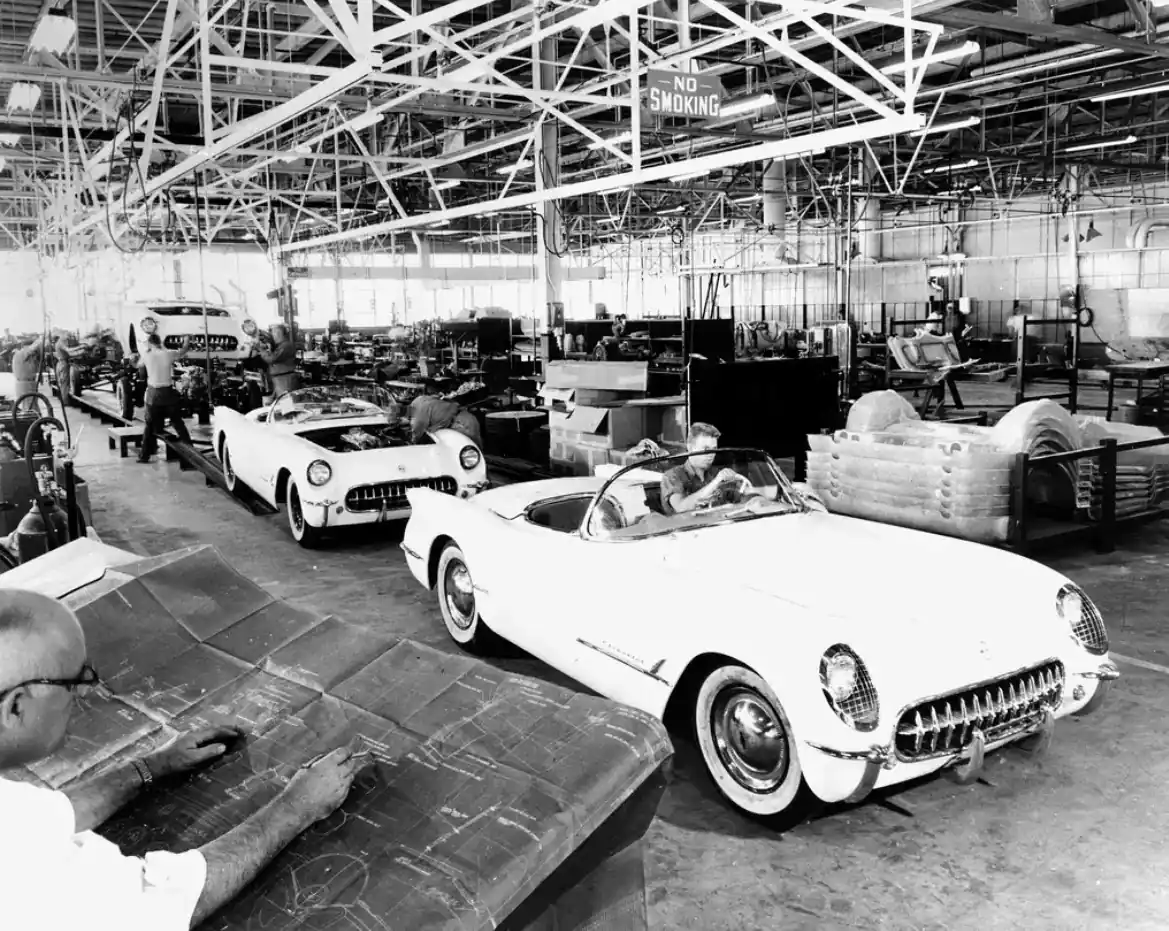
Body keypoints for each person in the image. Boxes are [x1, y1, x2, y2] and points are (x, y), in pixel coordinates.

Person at [0, 587, 361, 931]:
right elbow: (166, 902)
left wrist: (154, 766)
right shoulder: (27, 879)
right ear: (15, 707)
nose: (84, 692)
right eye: (73, 681)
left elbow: (42, 819)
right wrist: (297, 807)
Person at [660, 422, 748, 515]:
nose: (711, 454)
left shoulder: (715, 473)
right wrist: (715, 482)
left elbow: (741, 496)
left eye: (714, 449)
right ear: (690, 447)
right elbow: (681, 507)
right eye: (706, 449)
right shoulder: (672, 476)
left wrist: (751, 496)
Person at [137, 332, 193, 464]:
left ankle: (144, 456)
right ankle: (191, 454)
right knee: (178, 424)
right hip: (168, 394)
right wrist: (186, 340)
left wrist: (145, 351)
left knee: (149, 426)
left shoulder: (146, 354)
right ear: (160, 342)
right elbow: (184, 350)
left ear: (150, 343)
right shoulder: (168, 353)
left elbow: (138, 365)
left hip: (153, 395)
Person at [409, 383, 482, 447]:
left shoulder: (418, 408)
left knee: (469, 453)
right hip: (467, 418)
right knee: (474, 452)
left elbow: (417, 427)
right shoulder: (422, 400)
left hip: (461, 425)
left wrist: (413, 442)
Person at [260, 324, 299, 397]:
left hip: (284, 380)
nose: (272, 336)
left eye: (272, 333)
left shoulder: (285, 346)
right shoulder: (281, 346)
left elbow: (272, 359)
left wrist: (261, 350)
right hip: (280, 379)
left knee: (285, 400)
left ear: (278, 333)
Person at [10, 336, 44, 406]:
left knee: (32, 406)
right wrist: (42, 338)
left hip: (28, 384)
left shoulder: (27, 356)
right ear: (26, 346)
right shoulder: (21, 354)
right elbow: (34, 346)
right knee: (29, 407)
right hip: (25, 384)